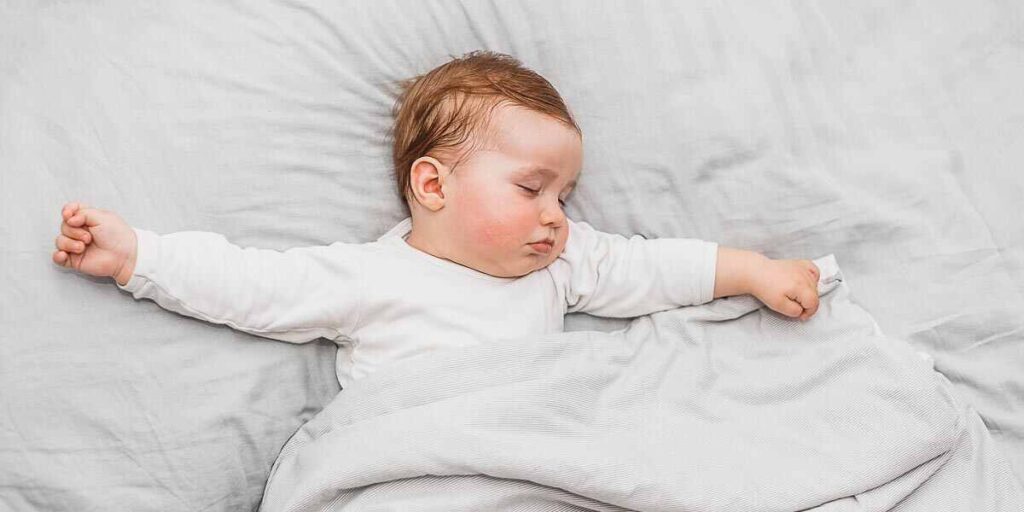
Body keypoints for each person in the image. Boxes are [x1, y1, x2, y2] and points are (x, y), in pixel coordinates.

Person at [51, 51, 820, 389]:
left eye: (566, 197)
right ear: (433, 184)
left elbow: (645, 269)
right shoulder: (370, 277)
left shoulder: (558, 262)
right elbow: (254, 286)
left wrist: (749, 270)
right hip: (417, 456)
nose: (554, 216)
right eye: (532, 189)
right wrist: (135, 257)